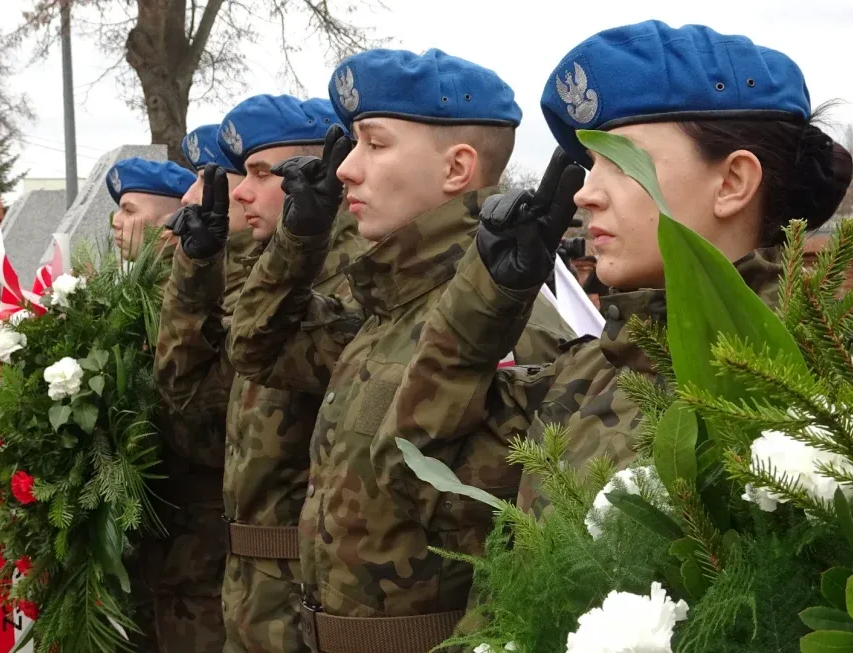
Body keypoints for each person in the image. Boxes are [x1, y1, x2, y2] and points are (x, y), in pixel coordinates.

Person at [382, 19, 853, 534]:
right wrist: (485, 301)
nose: (585, 193)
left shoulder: (821, 398)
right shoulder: (595, 370)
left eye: (622, 162)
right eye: (591, 163)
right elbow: (414, 479)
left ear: (733, 183)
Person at [227, 49, 576, 652]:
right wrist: (298, 238)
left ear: (457, 168)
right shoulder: (393, 306)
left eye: (375, 143)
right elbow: (258, 347)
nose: (345, 169)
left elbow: (511, 557)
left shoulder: (510, 327)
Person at [158, 95, 367, 653]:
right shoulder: (272, 280)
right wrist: (195, 271)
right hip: (252, 587)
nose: (240, 193)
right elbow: (193, 407)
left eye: (259, 173)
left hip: (305, 591)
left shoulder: (352, 281)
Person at [106, 156, 227, 653]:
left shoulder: (198, 298)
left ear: (169, 226)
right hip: (153, 525)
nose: (115, 222)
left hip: (196, 525)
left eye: (130, 210)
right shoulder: (124, 298)